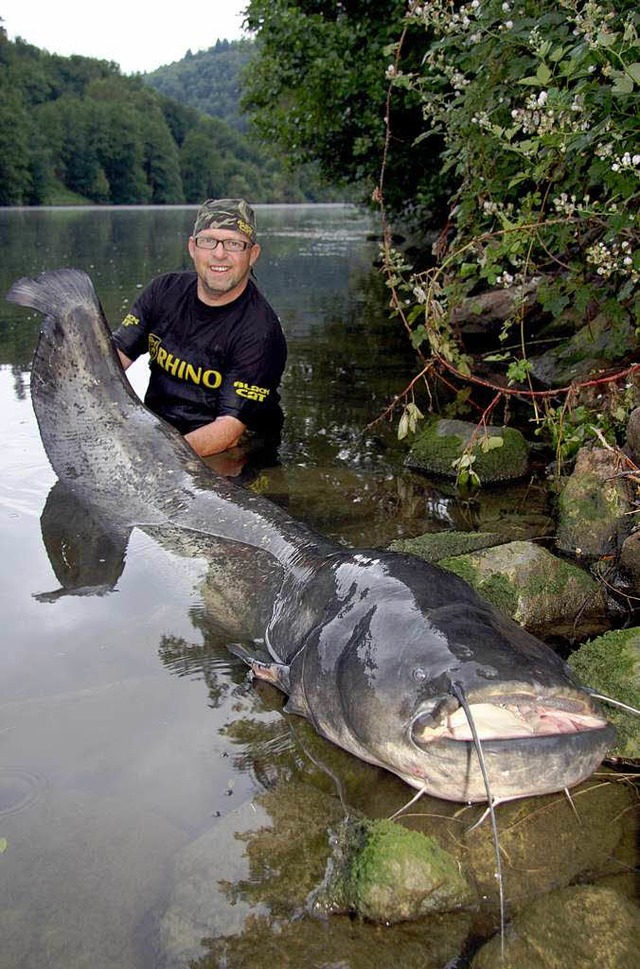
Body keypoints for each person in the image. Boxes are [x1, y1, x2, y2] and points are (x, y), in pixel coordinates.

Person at [112, 198, 287, 462]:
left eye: (234, 244)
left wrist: (156, 457)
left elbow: (229, 429)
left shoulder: (260, 332)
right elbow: (112, 360)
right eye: (209, 241)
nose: (219, 254)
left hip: (236, 450)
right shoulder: (163, 293)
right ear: (193, 248)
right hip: (162, 433)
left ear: (253, 254)